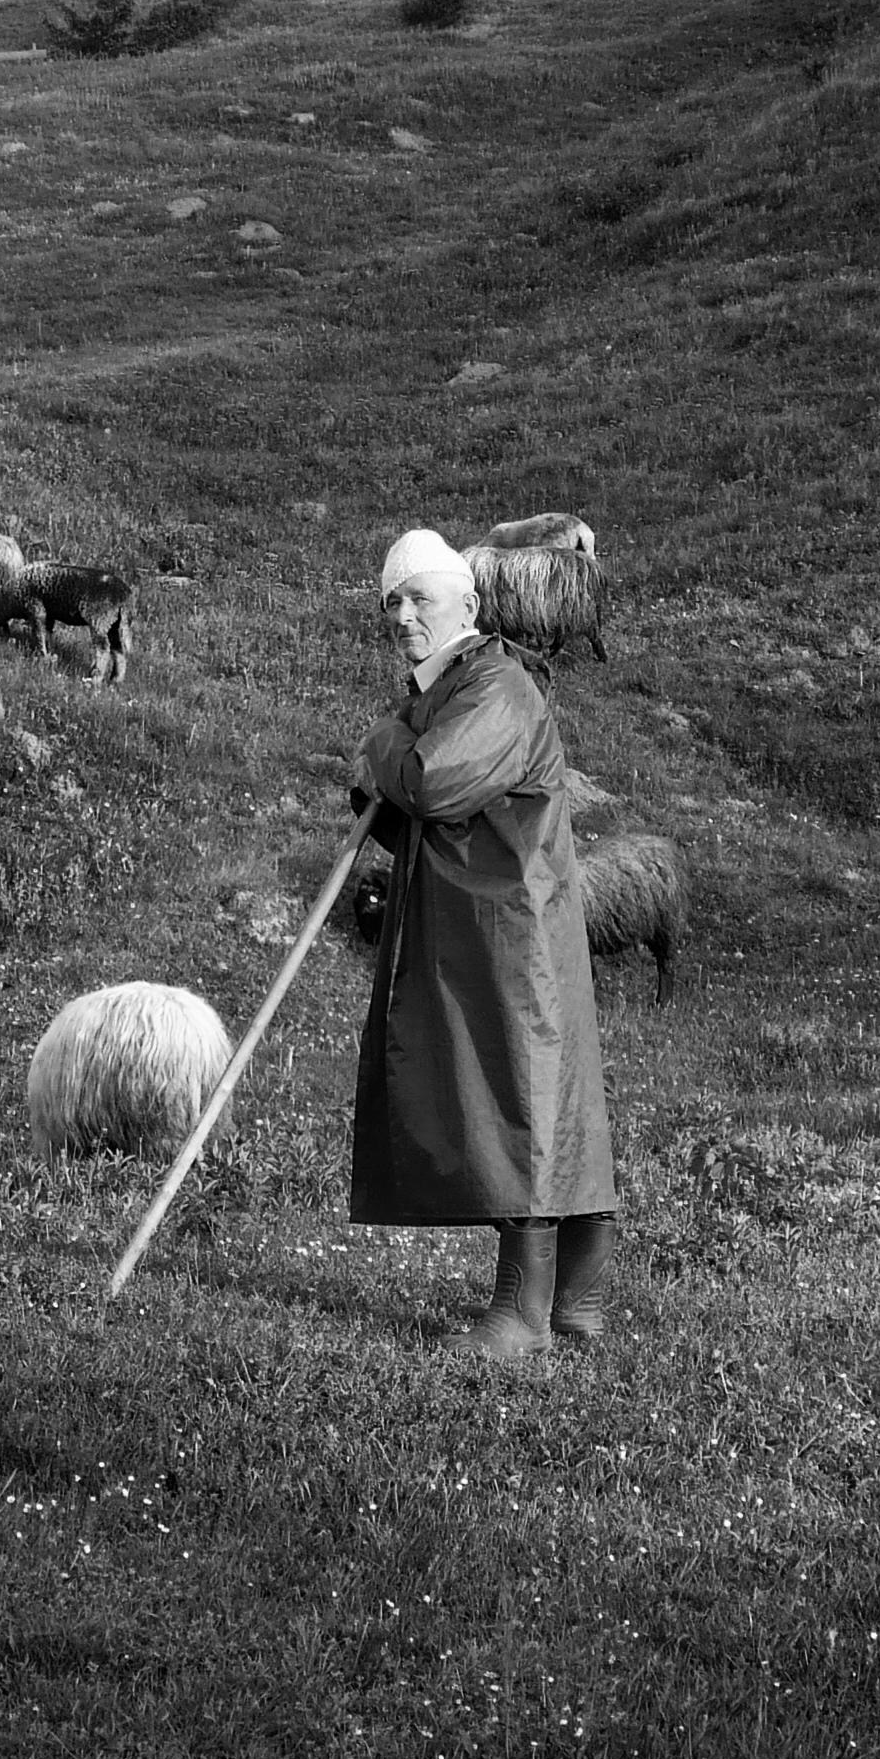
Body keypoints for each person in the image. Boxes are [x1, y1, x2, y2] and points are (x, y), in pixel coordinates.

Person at [349, 529, 618, 1362]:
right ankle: (575, 1302)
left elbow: (434, 780)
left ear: (466, 605)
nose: (402, 615)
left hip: (511, 931)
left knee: (525, 1099)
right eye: (392, 601)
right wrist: (394, 761)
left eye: (419, 598)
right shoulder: (449, 691)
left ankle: (523, 1313)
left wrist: (381, 744)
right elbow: (422, 816)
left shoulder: (495, 686)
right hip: (489, 924)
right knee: (540, 1093)